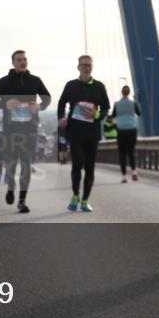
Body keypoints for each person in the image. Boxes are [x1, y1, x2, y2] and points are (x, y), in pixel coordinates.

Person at [0, 50, 52, 213]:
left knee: (26, 165)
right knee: (11, 165)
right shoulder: (5, 81)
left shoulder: (35, 80)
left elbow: (47, 98)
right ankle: (10, 186)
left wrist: (40, 106)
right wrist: (6, 104)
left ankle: (22, 201)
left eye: (24, 59)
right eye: (19, 59)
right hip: (10, 131)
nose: (23, 62)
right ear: (13, 63)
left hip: (30, 130)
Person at [57, 55, 110, 212]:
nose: (87, 67)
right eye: (84, 65)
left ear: (92, 67)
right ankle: (75, 195)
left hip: (92, 133)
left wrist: (97, 115)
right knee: (78, 163)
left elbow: (106, 107)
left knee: (90, 167)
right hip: (75, 132)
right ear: (78, 67)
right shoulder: (71, 85)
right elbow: (61, 103)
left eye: (89, 65)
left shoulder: (99, 86)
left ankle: (85, 200)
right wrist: (61, 117)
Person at [112, 86, 141, 183]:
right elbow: (139, 113)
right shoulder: (133, 103)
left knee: (122, 154)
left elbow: (113, 116)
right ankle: (134, 172)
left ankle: (124, 176)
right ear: (129, 93)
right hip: (132, 130)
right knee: (131, 152)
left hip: (121, 131)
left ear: (122, 92)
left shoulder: (117, 104)